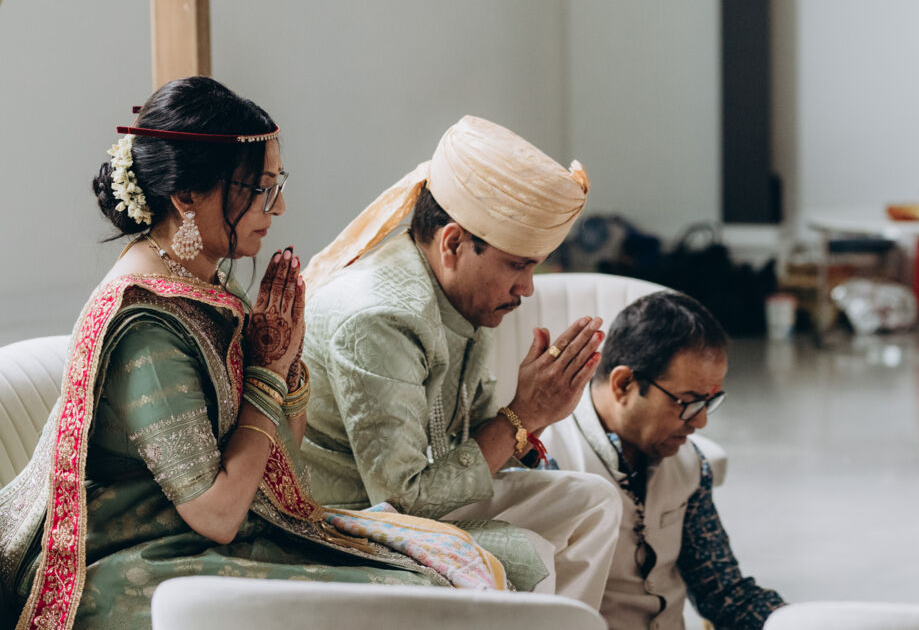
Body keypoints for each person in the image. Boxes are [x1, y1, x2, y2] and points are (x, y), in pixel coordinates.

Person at [0, 78, 511, 630]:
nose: (280, 206)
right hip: (131, 557)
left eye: (277, 185)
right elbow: (216, 513)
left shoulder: (206, 281)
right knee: (421, 599)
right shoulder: (145, 323)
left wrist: (287, 363)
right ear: (186, 196)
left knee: (447, 580)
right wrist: (268, 373)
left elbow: (279, 453)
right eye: (262, 189)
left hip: (204, 534)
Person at [300, 115, 622, 608]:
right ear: (453, 243)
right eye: (517, 265)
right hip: (344, 517)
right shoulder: (381, 316)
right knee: (526, 553)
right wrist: (523, 415)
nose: (526, 288)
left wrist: (533, 418)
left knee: (592, 503)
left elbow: (470, 439)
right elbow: (403, 500)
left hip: (410, 500)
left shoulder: (458, 296)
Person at [541, 291, 784, 630]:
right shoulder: (546, 462)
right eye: (687, 401)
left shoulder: (689, 463)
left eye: (709, 402)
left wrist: (799, 621)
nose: (701, 422)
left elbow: (724, 593)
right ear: (624, 383)